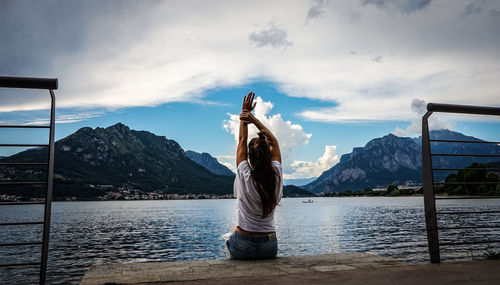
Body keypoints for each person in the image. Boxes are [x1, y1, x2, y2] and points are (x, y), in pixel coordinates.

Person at [225, 92, 283, 260]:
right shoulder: (276, 175)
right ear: (267, 155)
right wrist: (253, 119)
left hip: (243, 246)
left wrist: (244, 115)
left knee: (233, 230)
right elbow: (275, 143)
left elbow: (241, 141)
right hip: (269, 247)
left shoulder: (244, 173)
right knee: (236, 230)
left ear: (250, 157)